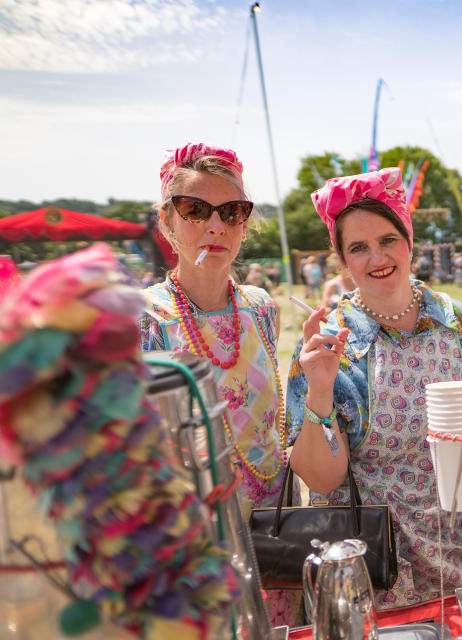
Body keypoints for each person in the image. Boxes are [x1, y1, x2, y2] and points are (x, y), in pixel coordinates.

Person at [286, 168, 462, 611]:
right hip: (374, 576)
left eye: (387, 240)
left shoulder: (456, 321)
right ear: (343, 261)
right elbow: (320, 477)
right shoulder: (330, 343)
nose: (377, 257)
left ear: (408, 240)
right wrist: (319, 388)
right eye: (358, 247)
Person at [138, 142, 299, 625]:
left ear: (245, 223)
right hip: (191, 538)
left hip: (275, 528)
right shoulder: (144, 318)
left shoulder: (261, 306)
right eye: (195, 210)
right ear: (166, 222)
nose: (215, 225)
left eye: (232, 211)